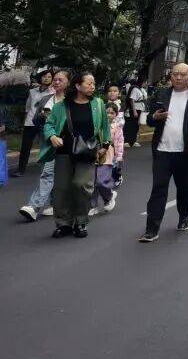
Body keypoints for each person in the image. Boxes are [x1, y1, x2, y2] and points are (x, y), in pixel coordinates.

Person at [139, 63, 188, 243]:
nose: (178, 77)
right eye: (175, 74)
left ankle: (184, 215)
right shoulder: (162, 94)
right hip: (162, 151)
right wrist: (154, 118)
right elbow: (149, 118)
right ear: (170, 76)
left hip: (185, 152)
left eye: (182, 74)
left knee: (184, 188)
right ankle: (151, 229)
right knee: (158, 189)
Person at [41, 72, 111, 239]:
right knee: (62, 189)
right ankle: (63, 224)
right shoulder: (62, 106)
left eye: (94, 83)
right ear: (78, 86)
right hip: (64, 152)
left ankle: (80, 222)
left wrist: (106, 145)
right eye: (89, 83)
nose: (93, 86)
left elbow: (105, 127)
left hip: (86, 151)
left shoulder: (98, 104)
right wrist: (52, 136)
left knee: (81, 186)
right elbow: (49, 124)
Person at [19, 69, 70, 222]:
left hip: (66, 142)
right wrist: (43, 119)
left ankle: (37, 206)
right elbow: (35, 121)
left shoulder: (71, 101)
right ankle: (44, 205)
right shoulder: (46, 99)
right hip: (48, 142)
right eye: (55, 79)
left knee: (55, 174)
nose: (56, 82)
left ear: (68, 83)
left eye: (60, 80)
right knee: (49, 172)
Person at [13, 68, 52, 177]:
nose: (46, 79)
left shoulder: (53, 92)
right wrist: (24, 122)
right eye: (44, 76)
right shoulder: (32, 91)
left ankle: (46, 170)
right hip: (30, 122)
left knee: (46, 146)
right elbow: (28, 107)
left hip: (45, 123)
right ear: (41, 77)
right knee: (25, 147)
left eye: (49, 77)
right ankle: (20, 170)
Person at [90, 98, 123, 215]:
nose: (109, 115)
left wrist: (118, 158)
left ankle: (109, 196)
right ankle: (92, 206)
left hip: (108, 156)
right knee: (92, 182)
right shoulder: (97, 124)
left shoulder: (117, 128)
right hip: (94, 154)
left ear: (116, 115)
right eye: (107, 112)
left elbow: (119, 144)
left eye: (112, 113)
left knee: (101, 181)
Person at [126, 77, 147, 147]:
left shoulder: (141, 89)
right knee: (132, 125)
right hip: (135, 108)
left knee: (137, 125)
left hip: (140, 108)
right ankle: (129, 141)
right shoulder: (135, 89)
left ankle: (134, 141)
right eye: (144, 82)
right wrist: (134, 111)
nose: (145, 83)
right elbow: (132, 99)